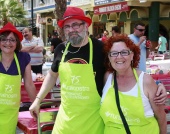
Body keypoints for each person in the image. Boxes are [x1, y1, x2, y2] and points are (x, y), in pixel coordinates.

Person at [29, 7, 167, 134]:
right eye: (67, 26)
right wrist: (38, 100)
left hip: (94, 123)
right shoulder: (61, 49)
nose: (72, 29)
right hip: (64, 123)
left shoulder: (102, 48)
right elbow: (52, 75)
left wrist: (156, 85)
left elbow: (123, 69)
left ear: (86, 26)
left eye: (76, 24)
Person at [100, 34, 167, 134]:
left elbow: (161, 118)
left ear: (132, 55)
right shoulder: (107, 78)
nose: (119, 57)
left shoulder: (145, 81)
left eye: (124, 52)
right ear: (109, 57)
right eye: (114, 53)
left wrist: (159, 84)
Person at [0, 22, 37, 134]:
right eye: (4, 39)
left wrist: (36, 105)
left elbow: (29, 84)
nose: (8, 43)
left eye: (12, 39)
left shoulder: (23, 58)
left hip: (10, 113)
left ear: (17, 43)